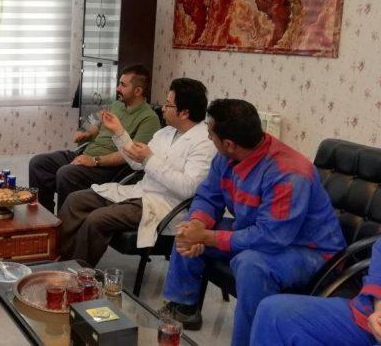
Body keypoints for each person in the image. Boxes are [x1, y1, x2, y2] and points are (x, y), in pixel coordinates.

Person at [159, 99, 345, 346]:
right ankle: (184, 307)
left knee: (251, 264)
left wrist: (208, 237)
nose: (208, 138)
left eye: (210, 134)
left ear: (229, 143)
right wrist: (197, 224)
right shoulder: (225, 157)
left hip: (310, 250)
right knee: (186, 230)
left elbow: (272, 237)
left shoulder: (288, 172)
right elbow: (209, 196)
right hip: (257, 231)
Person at [58, 78, 216, 266]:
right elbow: (136, 163)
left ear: (184, 113)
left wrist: (150, 159)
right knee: (75, 201)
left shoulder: (204, 143)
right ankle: (60, 260)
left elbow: (188, 188)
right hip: (140, 193)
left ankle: (77, 273)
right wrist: (119, 132)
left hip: (164, 205)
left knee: (96, 219)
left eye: (168, 105)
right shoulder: (165, 133)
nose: (163, 109)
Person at [29, 64, 161, 213]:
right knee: (38, 163)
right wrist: (86, 133)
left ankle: (64, 222)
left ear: (138, 91)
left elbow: (133, 156)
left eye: (123, 85)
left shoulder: (149, 119)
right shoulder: (117, 105)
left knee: (66, 173)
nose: (117, 88)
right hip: (86, 154)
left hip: (108, 168)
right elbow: (97, 124)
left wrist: (94, 161)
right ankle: (43, 216)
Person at [250, 238, 381, 346]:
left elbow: (273, 234)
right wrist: (379, 310)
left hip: (316, 251)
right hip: (366, 314)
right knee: (273, 310)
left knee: (251, 264)